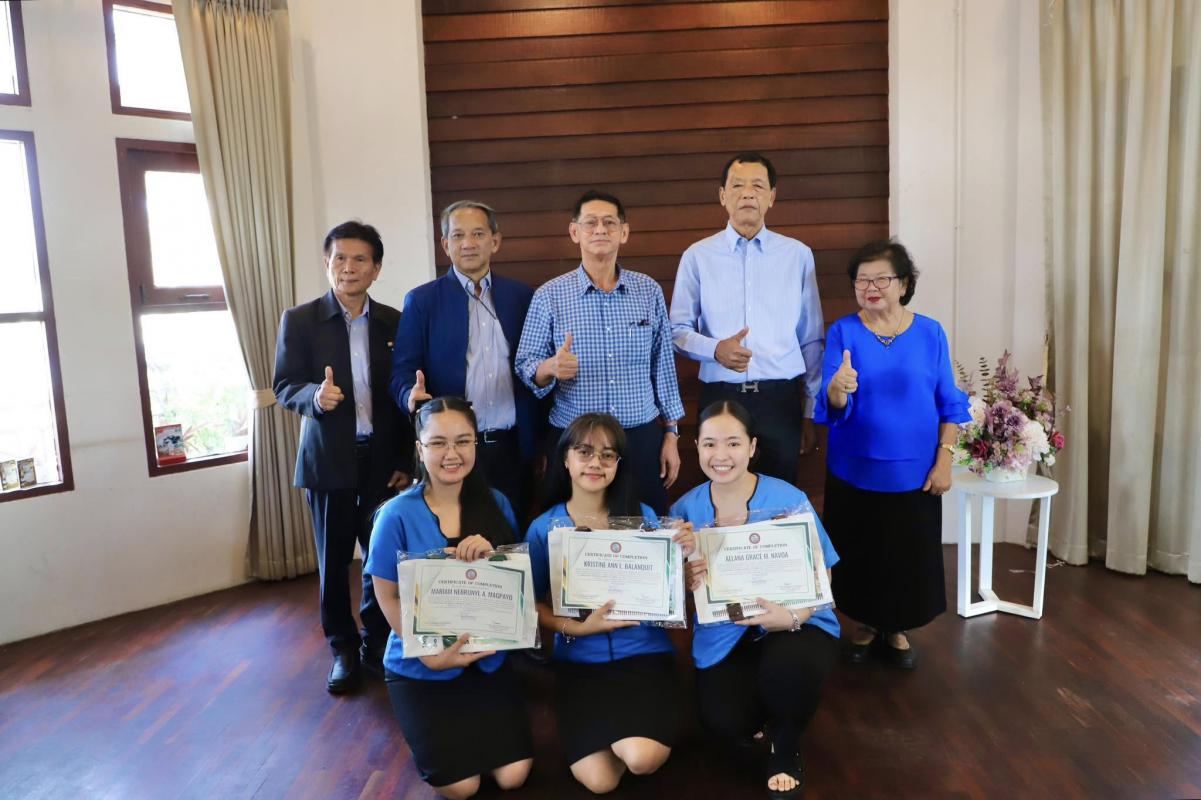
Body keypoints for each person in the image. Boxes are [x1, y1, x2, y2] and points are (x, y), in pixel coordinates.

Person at [364, 397, 532, 800]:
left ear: (475, 444)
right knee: (462, 787)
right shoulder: (394, 514)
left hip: (487, 659)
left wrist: (493, 557)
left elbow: (513, 583)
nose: (451, 453)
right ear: (419, 449)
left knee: (513, 777)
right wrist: (428, 655)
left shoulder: (497, 503)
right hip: (422, 667)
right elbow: (386, 595)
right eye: (438, 443)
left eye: (462, 441)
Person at [671, 400, 839, 799]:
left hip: (796, 621)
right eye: (710, 444)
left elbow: (824, 570)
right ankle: (767, 709)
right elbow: (676, 593)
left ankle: (786, 744)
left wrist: (795, 616)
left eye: (733, 443)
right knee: (725, 721)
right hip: (724, 631)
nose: (721, 455)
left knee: (789, 669)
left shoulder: (788, 497)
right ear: (697, 447)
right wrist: (683, 576)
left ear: (752, 446)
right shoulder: (685, 510)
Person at [814, 239, 970, 669]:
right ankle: (866, 624)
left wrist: (945, 459)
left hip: (914, 471)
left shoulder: (930, 332)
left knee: (906, 553)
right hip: (853, 468)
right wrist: (838, 387)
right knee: (860, 551)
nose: (871, 288)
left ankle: (897, 627)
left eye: (881, 279)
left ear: (903, 285)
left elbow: (950, 401)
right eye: (862, 280)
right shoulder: (843, 331)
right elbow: (829, 402)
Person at [272, 220, 413, 694]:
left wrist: (405, 460)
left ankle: (377, 640)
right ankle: (343, 648)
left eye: (359, 260)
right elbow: (284, 385)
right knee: (333, 564)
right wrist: (315, 396)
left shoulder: (394, 321)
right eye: (339, 258)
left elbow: (401, 395)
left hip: (382, 462)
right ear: (327, 263)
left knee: (381, 558)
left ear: (376, 269)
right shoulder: (300, 319)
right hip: (328, 461)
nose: (348, 268)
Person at [525, 413, 692, 794]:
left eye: (607, 454)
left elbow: (671, 595)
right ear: (565, 458)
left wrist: (683, 556)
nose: (596, 463)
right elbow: (528, 604)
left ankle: (636, 733)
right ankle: (623, 734)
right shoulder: (544, 528)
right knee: (599, 782)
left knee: (640, 758)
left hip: (644, 656)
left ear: (619, 463)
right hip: (580, 664)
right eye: (584, 452)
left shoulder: (643, 518)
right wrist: (577, 628)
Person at [515, 190, 685, 515]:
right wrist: (550, 367)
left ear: (624, 232)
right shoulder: (550, 295)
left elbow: (663, 367)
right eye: (590, 223)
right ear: (574, 232)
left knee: (645, 525)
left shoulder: (647, 290)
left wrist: (671, 434)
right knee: (576, 529)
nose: (600, 230)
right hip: (576, 442)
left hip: (639, 436)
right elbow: (525, 365)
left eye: (609, 222)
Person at [670, 152, 825, 484]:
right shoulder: (698, 256)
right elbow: (677, 331)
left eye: (758, 186)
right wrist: (715, 349)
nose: (747, 194)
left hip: (780, 399)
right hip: (721, 397)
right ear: (722, 196)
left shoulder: (797, 255)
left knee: (780, 496)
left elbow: (811, 339)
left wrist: (810, 412)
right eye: (737, 186)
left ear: (772, 197)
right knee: (722, 493)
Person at [391, 200, 539, 519]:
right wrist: (409, 395)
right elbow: (402, 370)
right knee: (457, 538)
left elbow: (534, 366)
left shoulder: (521, 297)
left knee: (513, 537)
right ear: (446, 244)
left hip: (512, 449)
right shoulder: (422, 300)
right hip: (451, 452)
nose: (468, 243)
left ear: (495, 241)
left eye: (478, 234)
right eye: (458, 235)